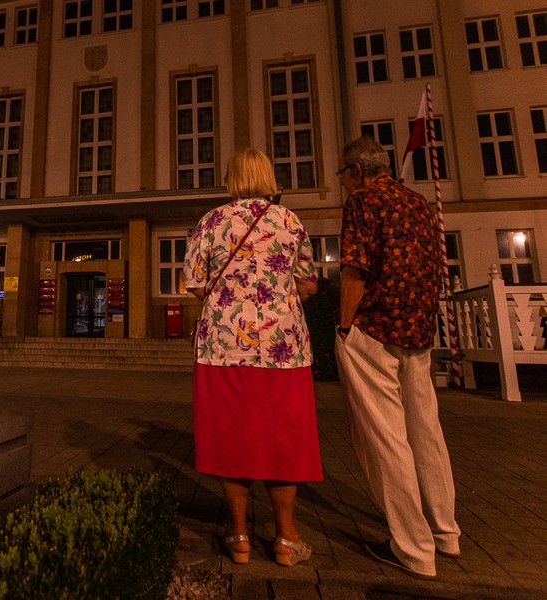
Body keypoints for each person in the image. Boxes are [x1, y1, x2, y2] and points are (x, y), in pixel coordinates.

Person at [183, 148, 321, 567]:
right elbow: (309, 283)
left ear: (231, 178)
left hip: (222, 344)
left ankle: (239, 534)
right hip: (282, 344)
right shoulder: (289, 221)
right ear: (268, 176)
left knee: (232, 435)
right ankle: (286, 537)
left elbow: (193, 283)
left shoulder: (211, 221)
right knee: (284, 436)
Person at [334, 136, 461, 579]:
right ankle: (446, 531)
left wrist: (344, 325)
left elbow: (355, 268)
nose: (343, 184)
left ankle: (412, 548)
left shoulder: (363, 202)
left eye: (343, 175)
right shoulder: (418, 203)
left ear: (357, 172)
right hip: (419, 331)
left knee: (387, 439)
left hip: (375, 331)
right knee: (426, 431)